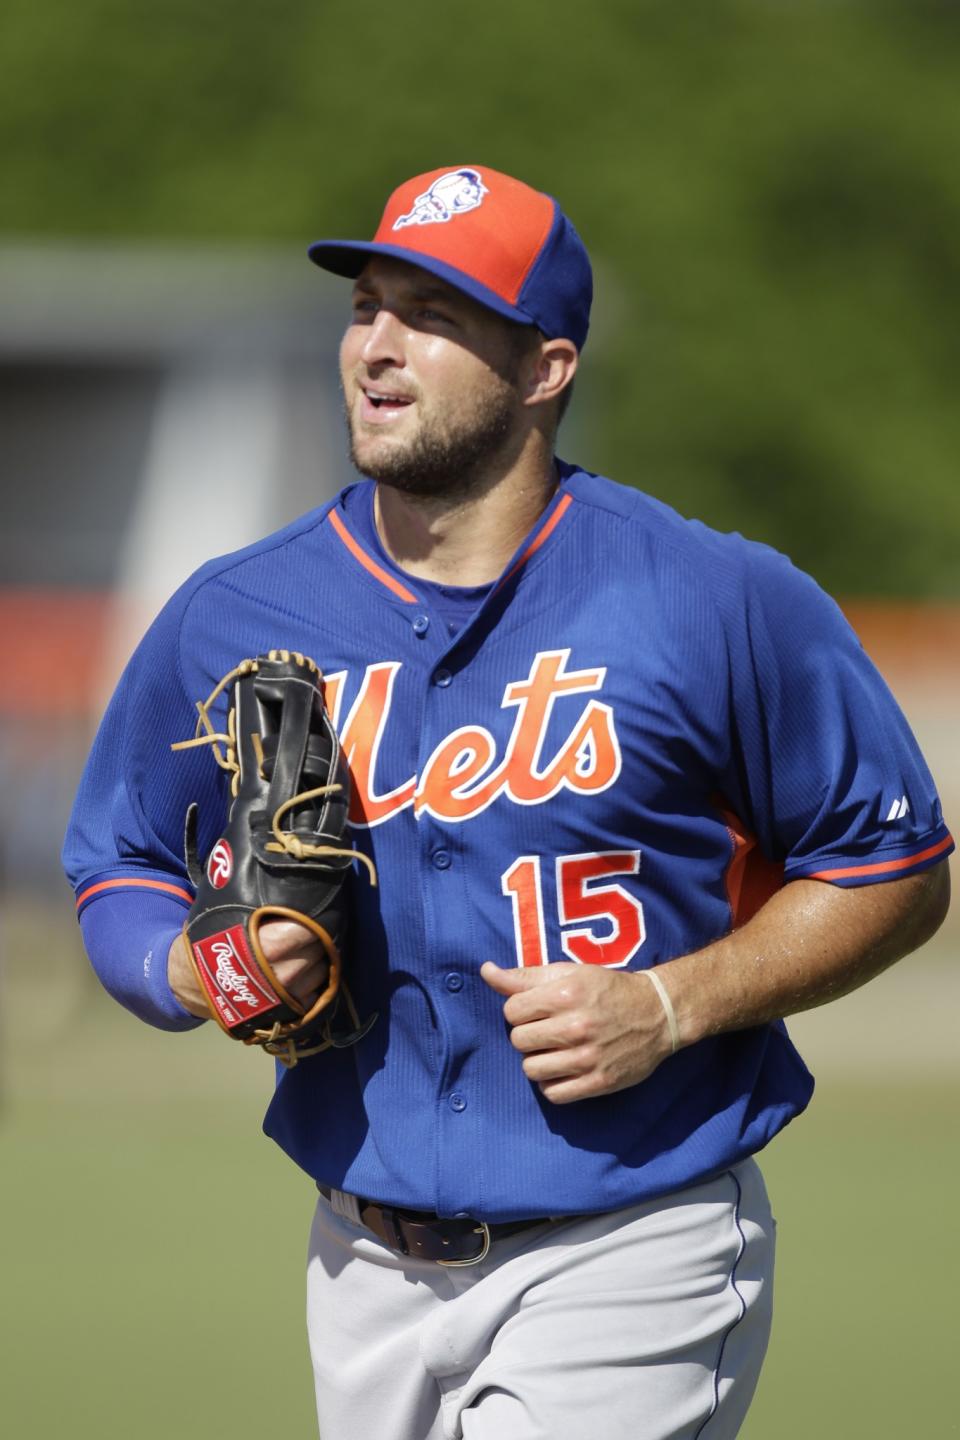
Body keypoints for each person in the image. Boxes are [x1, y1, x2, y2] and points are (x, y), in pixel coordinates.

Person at [63, 164, 952, 1440]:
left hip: (631, 1237)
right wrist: (198, 974)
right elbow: (119, 866)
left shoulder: (717, 599)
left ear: (545, 367)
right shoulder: (236, 611)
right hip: (357, 1259)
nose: (376, 346)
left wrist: (671, 1002)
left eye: (432, 315)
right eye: (365, 306)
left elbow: (894, 872)